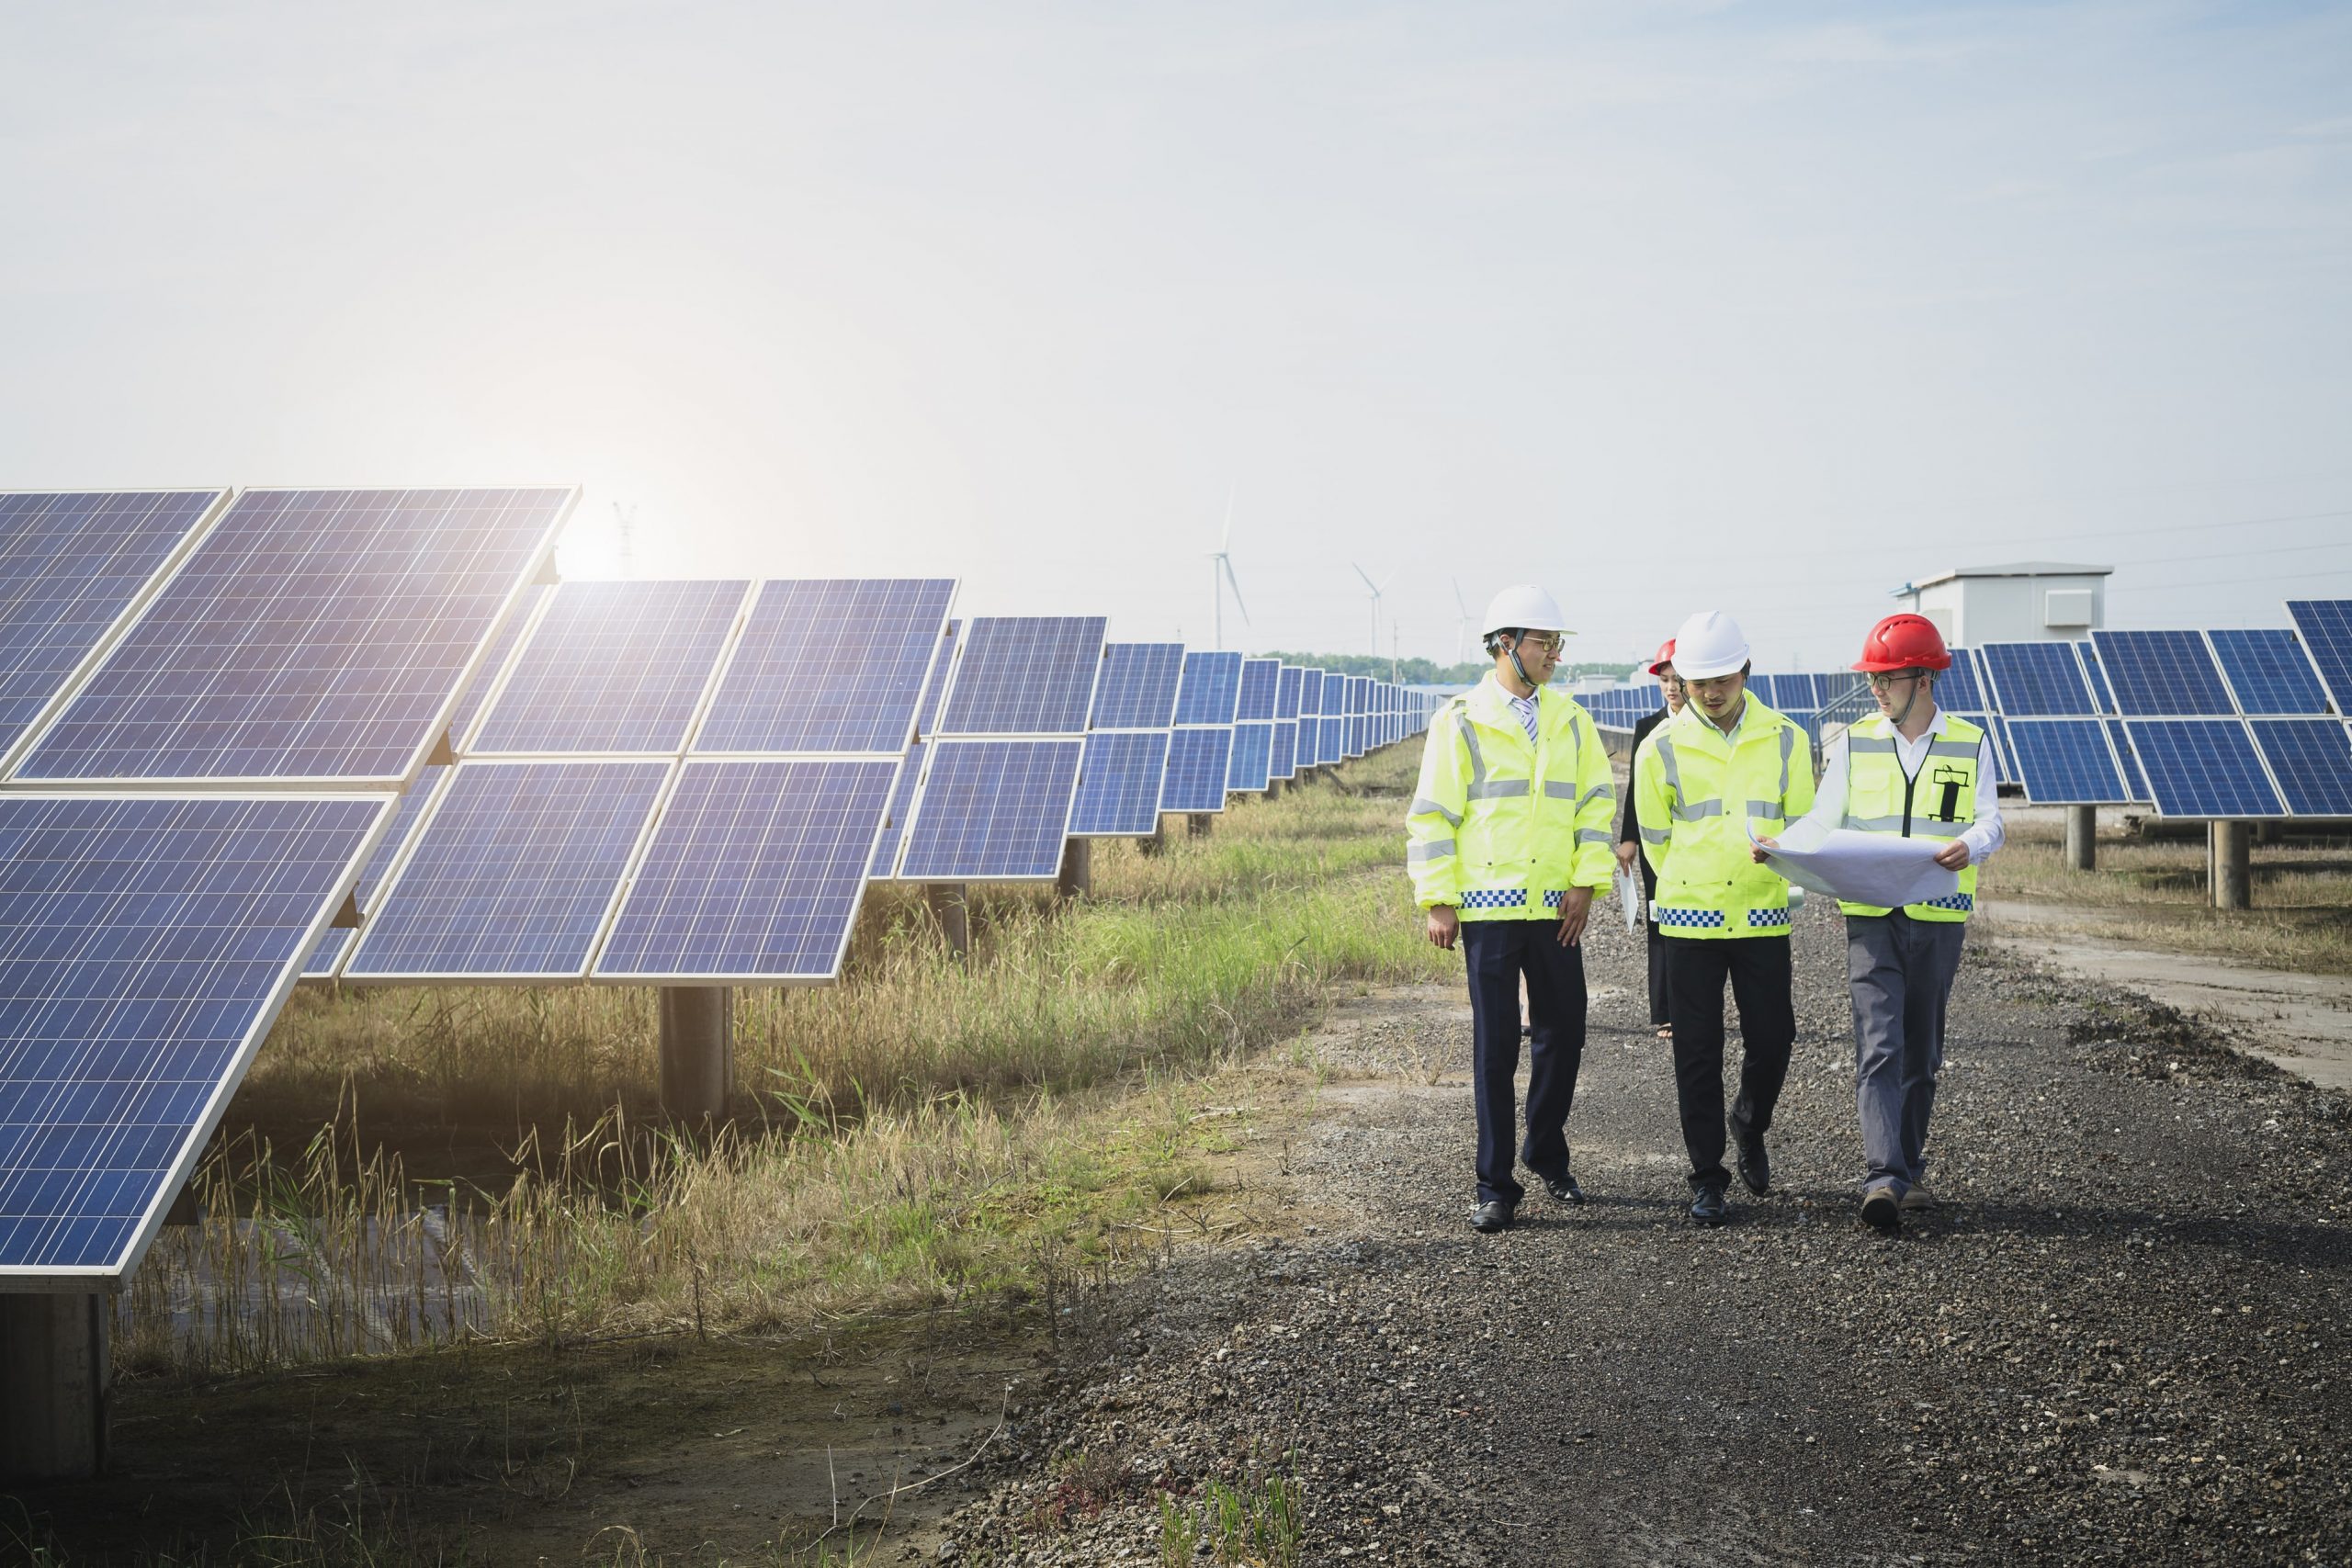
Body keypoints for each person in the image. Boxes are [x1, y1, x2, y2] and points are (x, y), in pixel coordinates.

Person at [1768, 613, 2002, 1234]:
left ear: (1923, 678)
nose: (1875, 688)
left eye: (1886, 678)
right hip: (1869, 916)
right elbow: (1821, 821)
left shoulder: (1970, 742)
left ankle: (1910, 1168)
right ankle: (1882, 1176)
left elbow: (1991, 820)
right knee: (1878, 1044)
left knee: (1921, 1049)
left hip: (1937, 916)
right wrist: (1781, 845)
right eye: (1873, 678)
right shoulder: (1854, 744)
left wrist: (1971, 845)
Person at [1406, 585, 1618, 1234]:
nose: (1555, 653)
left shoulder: (1572, 720)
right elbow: (1433, 814)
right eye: (1543, 641)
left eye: (1557, 642)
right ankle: (1495, 1184)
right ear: (1505, 644)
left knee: (1566, 1033)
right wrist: (1438, 897)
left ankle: (1545, 1150)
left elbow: (1594, 806)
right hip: (1490, 910)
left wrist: (1586, 882)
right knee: (1495, 1047)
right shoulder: (1460, 719)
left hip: (1557, 905)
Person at [1633, 610, 1813, 1226]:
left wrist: (1776, 858)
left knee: (1774, 1039)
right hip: (1689, 918)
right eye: (1698, 680)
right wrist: (1694, 877)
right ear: (1683, 677)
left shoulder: (1787, 737)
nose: (1710, 692)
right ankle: (1707, 1176)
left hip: (1761, 912)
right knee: (1697, 1054)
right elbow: (1655, 838)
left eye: (1722, 679)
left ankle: (1750, 1120)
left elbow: (1803, 824)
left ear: (1745, 671)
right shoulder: (1660, 745)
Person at [1616, 639, 1684, 1039]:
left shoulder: (1706, 724)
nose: (1671, 687)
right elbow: (1635, 791)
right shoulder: (1647, 728)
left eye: (1677, 680)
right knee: (1659, 922)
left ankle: (1692, 1003)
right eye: (1665, 680)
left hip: (1695, 839)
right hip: (1655, 842)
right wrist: (1629, 839)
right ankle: (1665, 1012)